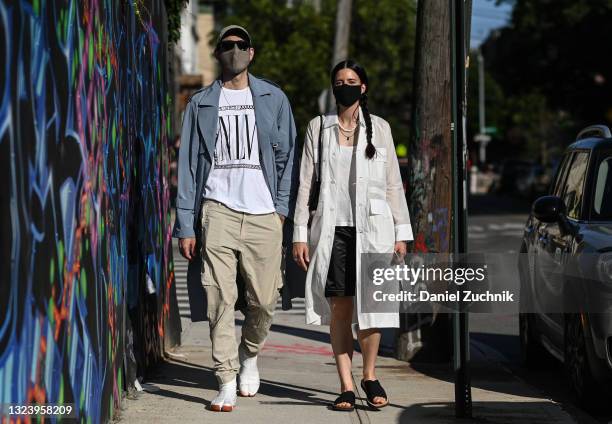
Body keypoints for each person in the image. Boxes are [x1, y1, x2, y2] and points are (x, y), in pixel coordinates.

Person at [173, 25, 297, 412]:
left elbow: (288, 158)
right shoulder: (201, 103)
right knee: (219, 297)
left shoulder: (273, 98)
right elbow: (188, 169)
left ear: (251, 52)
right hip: (217, 210)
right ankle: (225, 377)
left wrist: (280, 210)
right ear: (218, 54)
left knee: (264, 300)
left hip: (263, 214)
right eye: (226, 46)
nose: (233, 51)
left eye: (240, 45)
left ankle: (249, 354)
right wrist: (186, 223)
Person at [292, 60, 413, 411]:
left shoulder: (381, 129)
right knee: (341, 308)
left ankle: (369, 374)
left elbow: (393, 184)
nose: (345, 86)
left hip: (374, 230)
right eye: (340, 81)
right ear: (333, 88)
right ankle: (345, 384)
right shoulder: (318, 128)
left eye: (353, 81)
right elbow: (305, 185)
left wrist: (401, 233)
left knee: (373, 308)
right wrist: (300, 233)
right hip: (333, 230)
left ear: (364, 88)